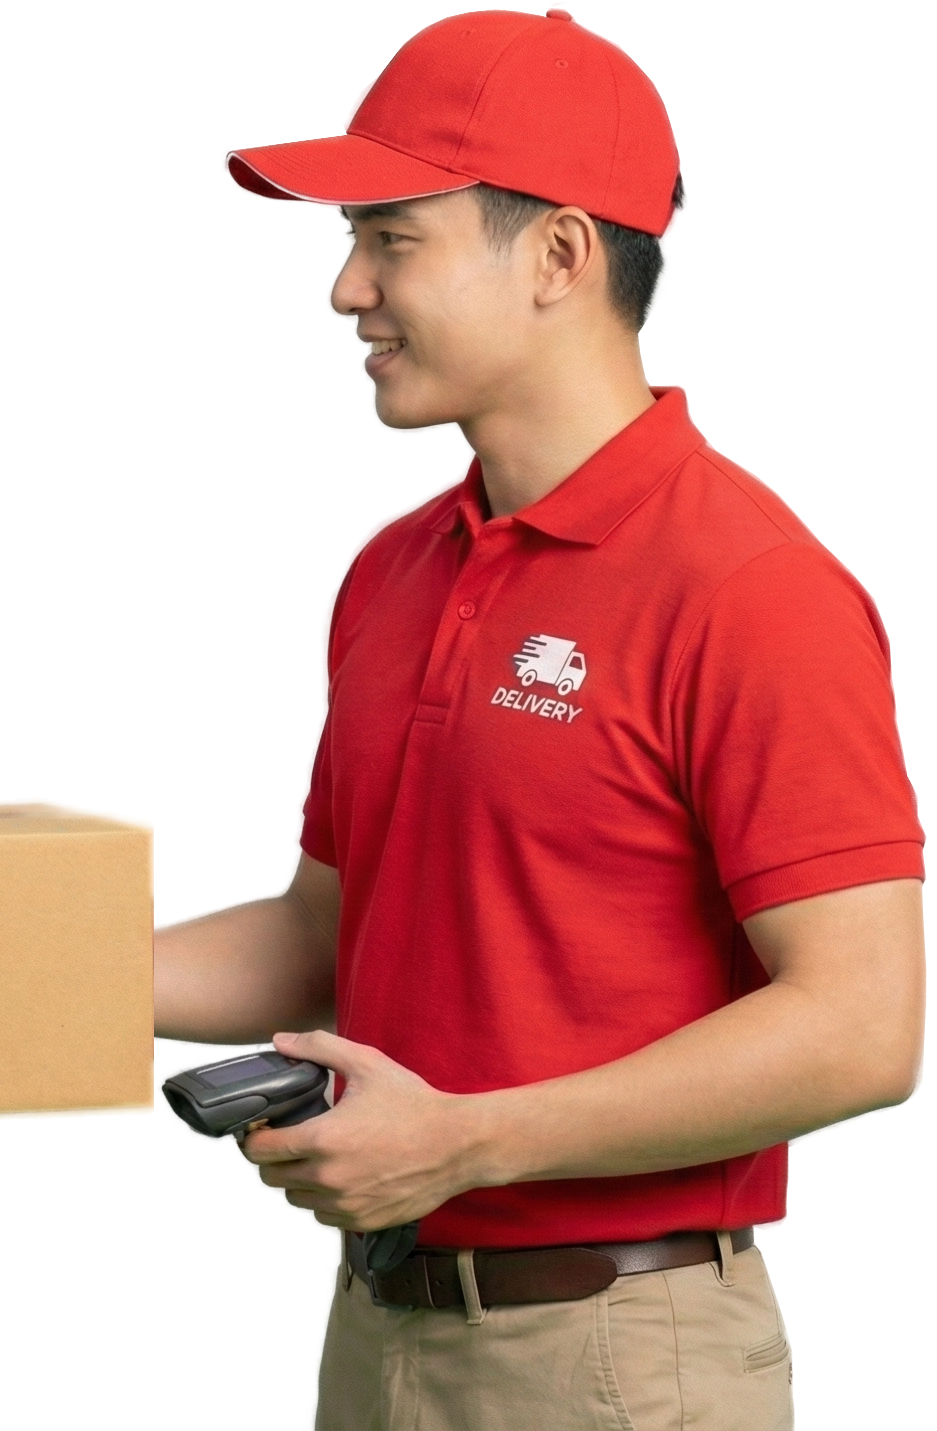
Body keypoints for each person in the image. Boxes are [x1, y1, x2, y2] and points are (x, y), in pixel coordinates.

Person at [150, 9, 923, 1429]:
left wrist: (470, 1141)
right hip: (376, 1328)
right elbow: (324, 932)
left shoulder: (754, 583)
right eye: (347, 241)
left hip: (626, 1353)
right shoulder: (391, 564)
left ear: (560, 257)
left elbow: (872, 1026)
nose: (341, 289)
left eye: (393, 240)